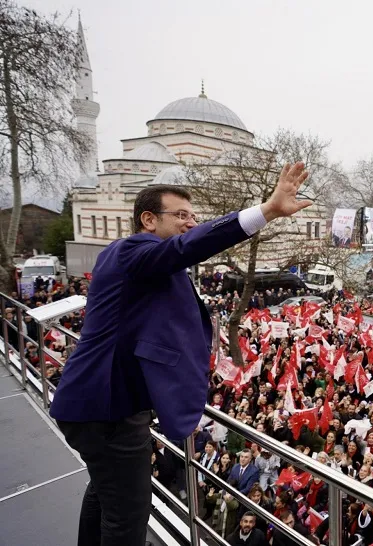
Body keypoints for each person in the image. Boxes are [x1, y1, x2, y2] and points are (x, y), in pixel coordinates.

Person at [50, 162, 311, 546]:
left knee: (104, 495)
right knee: (126, 518)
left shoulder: (133, 259)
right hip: (107, 410)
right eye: (181, 215)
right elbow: (188, 246)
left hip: (97, 404)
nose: (191, 223)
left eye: (194, 216)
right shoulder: (135, 251)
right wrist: (267, 210)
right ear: (148, 219)